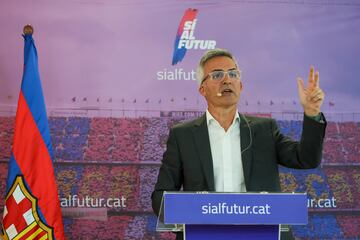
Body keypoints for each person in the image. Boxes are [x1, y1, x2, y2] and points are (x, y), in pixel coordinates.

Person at [151, 48, 326, 240]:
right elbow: (161, 196)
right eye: (217, 75)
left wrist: (311, 114)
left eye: (232, 74)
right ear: (202, 89)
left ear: (240, 85)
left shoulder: (264, 129)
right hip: (203, 235)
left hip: (262, 234)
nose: (227, 80)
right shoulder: (182, 135)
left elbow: (306, 159)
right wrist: (189, 226)